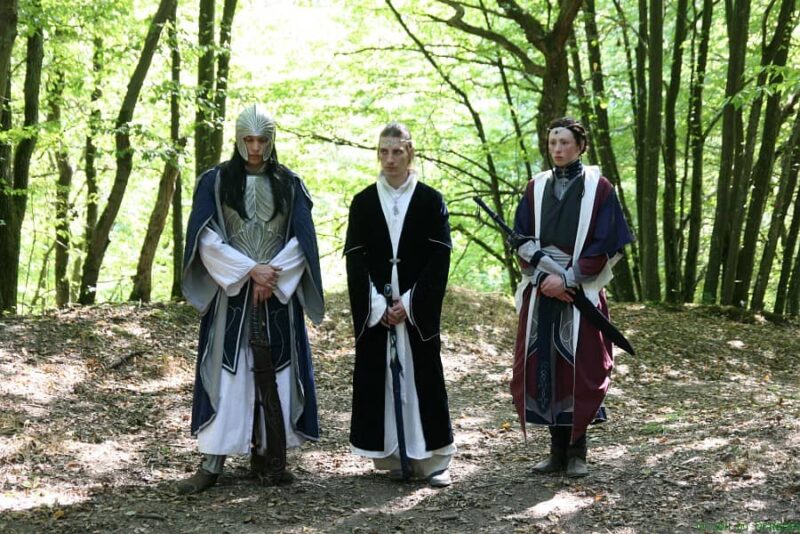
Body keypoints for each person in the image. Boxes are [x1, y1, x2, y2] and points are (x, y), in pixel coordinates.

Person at [177, 104, 324, 494]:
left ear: (271, 140)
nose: (255, 148)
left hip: (277, 297)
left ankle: (268, 454)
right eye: (249, 140)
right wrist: (247, 270)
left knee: (277, 371)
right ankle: (212, 461)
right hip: (232, 298)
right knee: (226, 373)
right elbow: (205, 237)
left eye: (262, 140)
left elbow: (303, 240)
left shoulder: (290, 183)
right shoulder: (215, 182)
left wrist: (271, 274)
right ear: (238, 139)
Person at [510, 117, 633, 478]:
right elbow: (520, 237)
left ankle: (578, 451)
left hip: (581, 290)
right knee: (546, 367)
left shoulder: (599, 188)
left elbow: (607, 242)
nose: (558, 149)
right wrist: (544, 277)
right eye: (553, 143)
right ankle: (556, 451)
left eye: (564, 143)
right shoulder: (536, 187)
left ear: (580, 146)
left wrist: (568, 278)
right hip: (542, 289)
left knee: (580, 367)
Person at [344, 122, 455, 488]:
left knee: (424, 378)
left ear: (410, 153)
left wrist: (409, 303)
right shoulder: (362, 202)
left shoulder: (431, 200)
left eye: (396, 151)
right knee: (382, 380)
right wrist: (377, 305)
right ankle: (394, 456)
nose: (389, 159)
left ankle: (433, 459)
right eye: (383, 151)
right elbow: (355, 258)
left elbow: (439, 258)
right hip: (379, 308)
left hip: (414, 309)